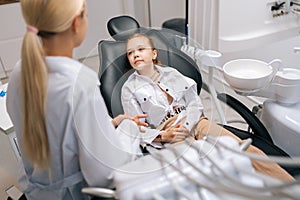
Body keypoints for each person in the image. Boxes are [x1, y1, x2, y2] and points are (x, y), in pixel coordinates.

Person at [6, 1, 146, 199]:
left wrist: (111, 123)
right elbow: (104, 175)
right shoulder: (80, 83)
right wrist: (129, 131)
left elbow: (58, 131)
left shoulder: (20, 71)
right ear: (75, 23)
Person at [121, 33, 294, 181]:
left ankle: (289, 188)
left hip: (194, 120)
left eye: (140, 49)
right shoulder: (129, 88)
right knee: (200, 167)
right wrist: (165, 135)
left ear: (153, 53)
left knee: (239, 148)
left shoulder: (172, 74)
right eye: (130, 53)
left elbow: (194, 103)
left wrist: (188, 125)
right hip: (168, 133)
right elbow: (137, 128)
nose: (135, 55)